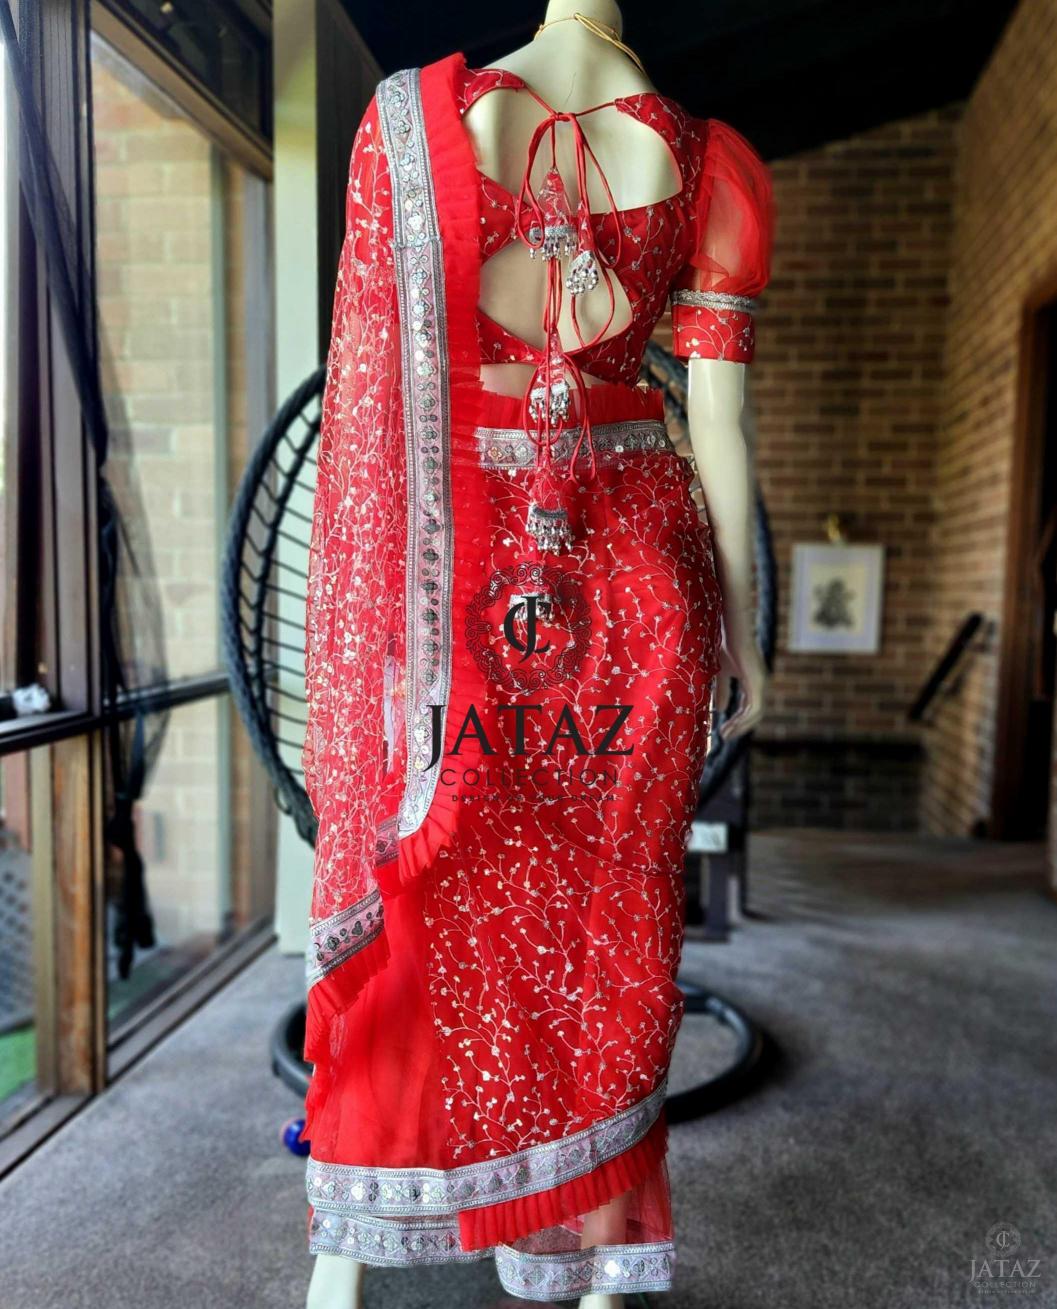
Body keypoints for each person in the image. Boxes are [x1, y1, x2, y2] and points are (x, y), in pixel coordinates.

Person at [300, 3, 775, 1304]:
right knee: (611, 922)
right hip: (644, 581)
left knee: (428, 884)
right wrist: (744, 629)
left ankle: (345, 1265)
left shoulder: (416, 127)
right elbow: (718, 429)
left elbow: (366, 402)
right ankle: (596, 1267)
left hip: (452, 574)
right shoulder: (713, 166)